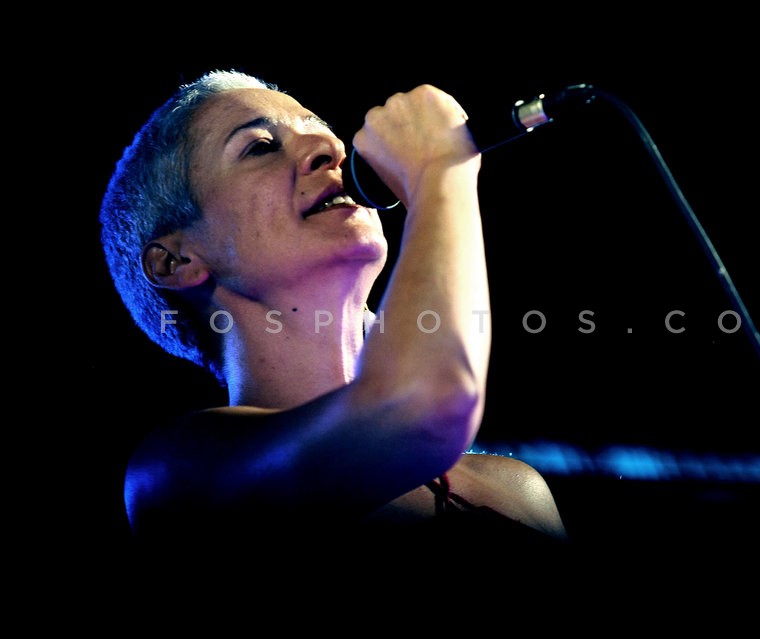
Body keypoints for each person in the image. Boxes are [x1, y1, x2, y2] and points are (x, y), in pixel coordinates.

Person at [99, 69, 569, 572]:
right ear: (176, 261)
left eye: (322, 131)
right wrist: (441, 169)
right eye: (260, 147)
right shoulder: (177, 472)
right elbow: (420, 409)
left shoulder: (517, 488)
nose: (331, 148)